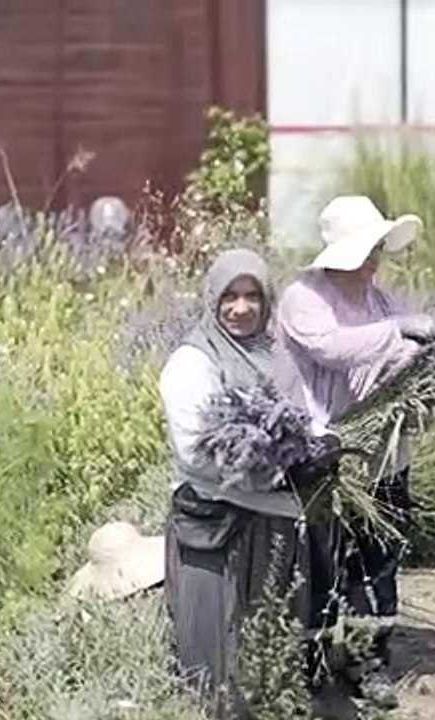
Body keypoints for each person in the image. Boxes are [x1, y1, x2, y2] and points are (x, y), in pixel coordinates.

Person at [274, 195, 435, 710]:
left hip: (383, 452)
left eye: (376, 249)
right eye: (364, 249)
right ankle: (315, 668)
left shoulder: (379, 299)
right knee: (321, 560)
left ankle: (368, 661)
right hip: (325, 451)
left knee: (378, 559)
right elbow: (332, 348)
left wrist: (416, 357)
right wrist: (401, 336)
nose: (372, 260)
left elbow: (412, 349)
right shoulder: (303, 298)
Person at [158, 248, 315, 718]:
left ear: (267, 302)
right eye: (230, 296)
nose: (241, 308)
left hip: (274, 523)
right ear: (213, 299)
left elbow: (306, 418)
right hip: (214, 526)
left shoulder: (277, 356)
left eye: (252, 297)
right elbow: (197, 453)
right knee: (216, 660)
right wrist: (278, 465)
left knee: (267, 648)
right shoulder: (191, 362)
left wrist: (312, 448)